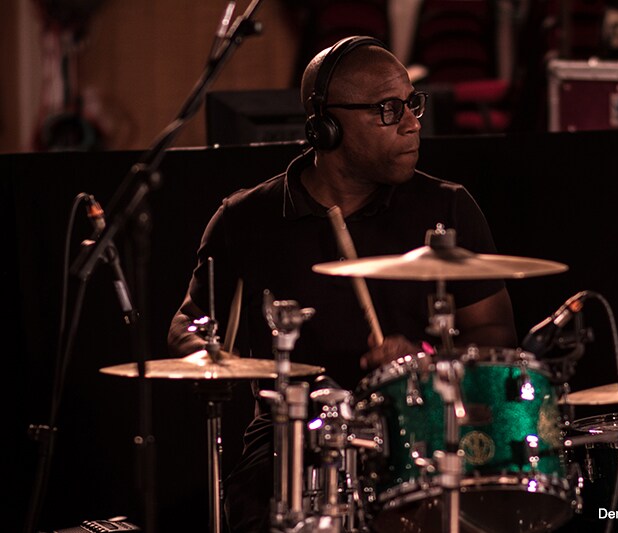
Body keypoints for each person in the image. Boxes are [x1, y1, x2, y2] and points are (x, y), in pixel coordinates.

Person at [168, 35, 517, 532]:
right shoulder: (245, 220)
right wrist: (209, 355)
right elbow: (190, 323)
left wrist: (423, 364)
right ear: (326, 127)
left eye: (412, 103)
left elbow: (496, 336)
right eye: (388, 109)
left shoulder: (447, 208)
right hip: (289, 444)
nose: (413, 122)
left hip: (416, 438)